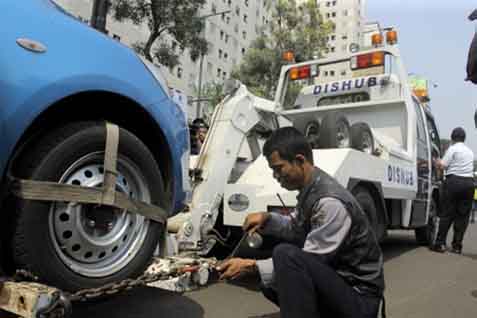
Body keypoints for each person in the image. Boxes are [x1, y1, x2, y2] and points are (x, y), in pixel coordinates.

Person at [217, 127, 385, 318]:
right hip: (342, 285)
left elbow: (309, 261)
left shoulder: (330, 203)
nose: (276, 176)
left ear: (299, 161)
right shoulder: (311, 188)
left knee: (285, 256)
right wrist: (268, 218)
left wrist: (252, 267)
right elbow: (295, 225)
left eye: (278, 168)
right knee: (270, 282)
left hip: (360, 299)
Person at [431, 127, 475, 254]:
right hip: (469, 184)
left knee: (447, 214)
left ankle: (440, 244)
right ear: (464, 138)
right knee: (462, 217)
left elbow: (443, 165)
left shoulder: (453, 148)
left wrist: (436, 161)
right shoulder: (470, 152)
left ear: (452, 138)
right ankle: (457, 246)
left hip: (454, 182)